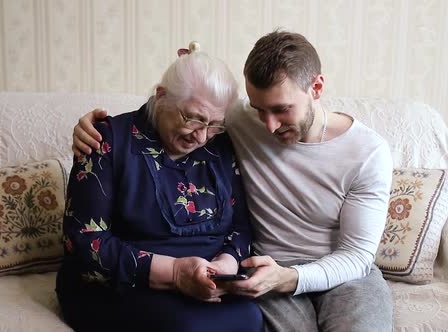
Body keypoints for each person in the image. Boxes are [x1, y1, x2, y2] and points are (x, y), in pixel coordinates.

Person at [72, 30, 394, 332]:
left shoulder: (368, 153)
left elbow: (355, 256)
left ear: (317, 88)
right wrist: (90, 129)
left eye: (281, 110)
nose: (268, 126)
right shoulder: (230, 123)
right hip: (263, 266)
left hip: (339, 273)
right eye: (258, 110)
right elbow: (86, 238)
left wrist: (276, 274)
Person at [56, 42, 263, 332]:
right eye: (192, 118)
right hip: (120, 285)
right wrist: (176, 273)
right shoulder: (106, 139)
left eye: (215, 124)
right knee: (185, 327)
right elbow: (84, 242)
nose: (202, 136)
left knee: (251, 317)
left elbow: (240, 226)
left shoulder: (220, 144)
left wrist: (226, 266)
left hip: (207, 285)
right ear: (161, 96)